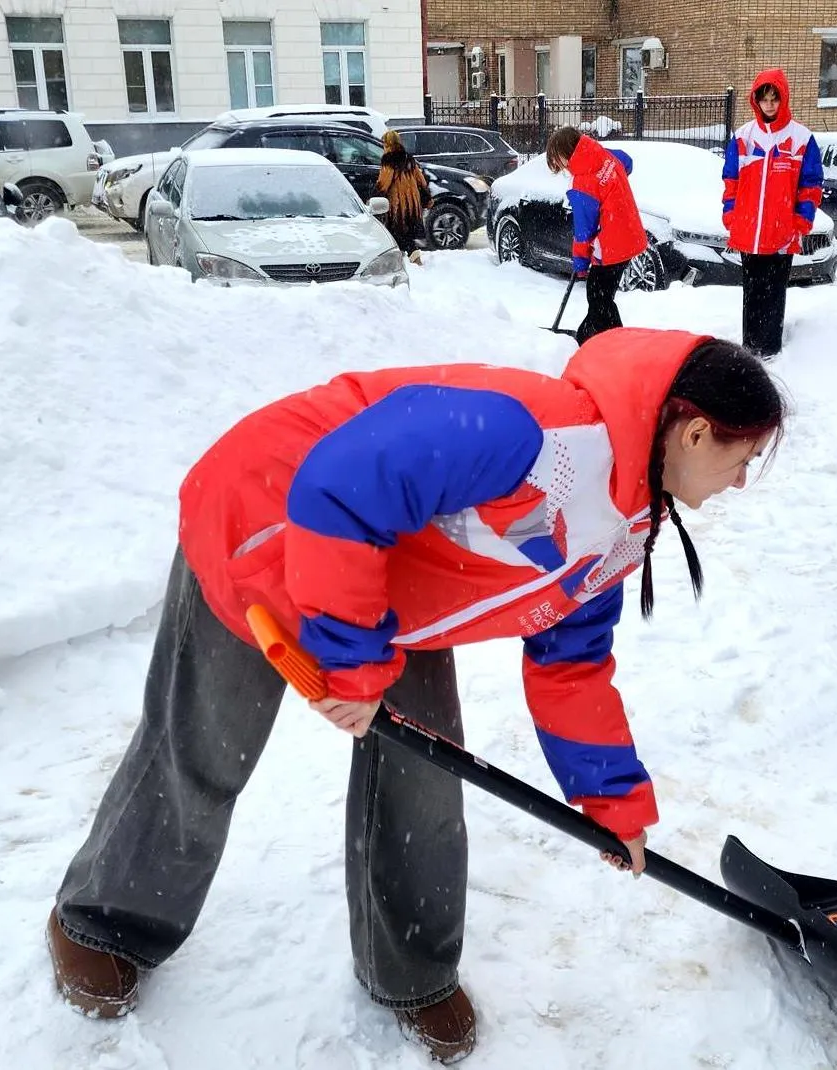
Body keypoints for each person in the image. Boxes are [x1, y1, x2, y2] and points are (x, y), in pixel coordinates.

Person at [47, 329, 787, 1064]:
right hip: (262, 522)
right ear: (694, 432)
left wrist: (613, 804)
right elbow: (339, 484)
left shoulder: (624, 519)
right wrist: (355, 670)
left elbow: (573, 664)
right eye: (744, 457)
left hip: (382, 583)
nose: (742, 479)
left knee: (425, 779)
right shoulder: (529, 433)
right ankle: (105, 921)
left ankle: (412, 971)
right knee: (204, 748)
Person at [720, 69, 825, 358]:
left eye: (774, 99)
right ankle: (750, 347)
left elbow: (811, 184)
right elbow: (731, 181)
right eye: (764, 99)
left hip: (781, 232)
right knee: (751, 292)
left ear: (783, 100)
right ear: (756, 101)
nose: (769, 105)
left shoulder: (801, 139)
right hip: (749, 232)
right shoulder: (743, 137)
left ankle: (770, 348)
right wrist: (731, 214)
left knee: (774, 292)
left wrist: (801, 220)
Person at [545, 127, 648, 344]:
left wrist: (580, 263)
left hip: (612, 243)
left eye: (558, 159)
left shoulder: (583, 183)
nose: (561, 166)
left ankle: (616, 344)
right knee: (601, 295)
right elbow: (626, 160)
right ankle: (589, 337)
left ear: (566, 152)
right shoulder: (605, 156)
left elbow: (584, 231)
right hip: (631, 234)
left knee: (598, 296)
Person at [376, 129, 433, 262]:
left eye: (384, 143)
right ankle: (403, 258)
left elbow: (384, 182)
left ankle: (412, 259)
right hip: (412, 201)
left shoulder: (388, 160)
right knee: (404, 232)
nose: (383, 146)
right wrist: (426, 196)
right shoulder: (408, 158)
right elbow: (421, 179)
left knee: (397, 232)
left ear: (389, 144)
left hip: (398, 203)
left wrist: (375, 196)